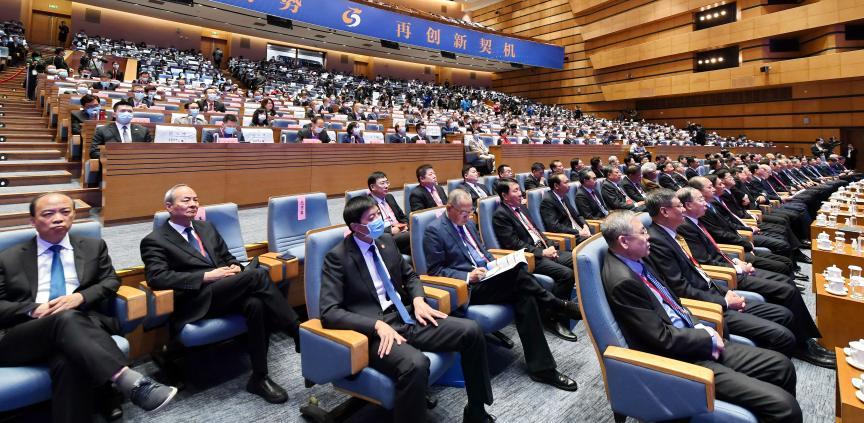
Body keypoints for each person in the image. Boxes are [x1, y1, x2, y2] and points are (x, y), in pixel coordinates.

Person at [600, 211, 803, 423]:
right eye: (642, 232)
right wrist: (706, 338)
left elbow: (673, 302)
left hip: (693, 337)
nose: (648, 236)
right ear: (624, 241)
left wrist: (701, 327)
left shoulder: (637, 258)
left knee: (782, 366)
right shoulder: (622, 281)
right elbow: (660, 339)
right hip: (681, 360)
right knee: (784, 407)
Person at [0, 193, 178, 422]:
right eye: (48, 214)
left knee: (69, 360)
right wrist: (33, 309)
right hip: (24, 335)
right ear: (32, 221)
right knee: (64, 319)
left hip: (81, 328)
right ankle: (127, 379)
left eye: (65, 212)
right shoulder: (8, 258)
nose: (58, 218)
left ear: (74, 215)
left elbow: (111, 281)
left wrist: (80, 298)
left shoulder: (93, 247)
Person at [320, 195, 494, 423]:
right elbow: (329, 311)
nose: (378, 221)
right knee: (416, 364)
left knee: (471, 331)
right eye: (371, 218)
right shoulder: (337, 257)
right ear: (355, 227)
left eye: (378, 215)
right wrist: (376, 325)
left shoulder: (386, 241)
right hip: (376, 332)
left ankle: (476, 411)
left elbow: (410, 276)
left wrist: (419, 300)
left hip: (406, 316)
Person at [140, 185, 300, 403]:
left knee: (256, 304)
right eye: (186, 200)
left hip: (227, 291)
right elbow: (157, 278)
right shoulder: (155, 240)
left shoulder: (206, 228)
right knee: (258, 277)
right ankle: (297, 331)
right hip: (197, 300)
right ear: (169, 206)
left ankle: (259, 377)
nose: (193, 204)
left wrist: (235, 267)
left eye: (196, 199)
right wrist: (206, 276)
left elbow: (228, 257)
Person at [423, 190, 581, 390]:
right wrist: (467, 276)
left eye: (470, 211)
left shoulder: (470, 223)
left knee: (525, 293)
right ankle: (555, 304)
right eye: (463, 212)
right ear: (449, 208)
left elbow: (482, 252)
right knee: (519, 276)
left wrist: (497, 264)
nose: (468, 216)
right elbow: (435, 271)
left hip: (490, 277)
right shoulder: (434, 231)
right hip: (469, 287)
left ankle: (542, 369)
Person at [676, 187, 835, 368]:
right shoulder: (684, 229)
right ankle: (802, 345)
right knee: (786, 288)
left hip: (728, 265)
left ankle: (805, 341)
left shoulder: (694, 221)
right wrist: (735, 267)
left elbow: (713, 251)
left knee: (785, 281)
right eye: (701, 198)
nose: (706, 199)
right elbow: (704, 262)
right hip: (726, 277)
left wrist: (734, 260)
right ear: (687, 205)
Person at [643, 189, 798, 355]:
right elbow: (681, 288)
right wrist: (724, 301)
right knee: (783, 332)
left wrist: (726, 292)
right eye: (679, 206)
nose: (683, 210)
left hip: (716, 290)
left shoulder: (671, 234)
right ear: (665, 211)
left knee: (784, 314)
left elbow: (698, 271)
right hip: (708, 306)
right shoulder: (656, 241)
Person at [492, 179, 576, 341]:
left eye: (519, 189)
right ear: (505, 196)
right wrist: (542, 252)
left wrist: (550, 246)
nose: (520, 193)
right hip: (530, 258)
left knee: (575, 258)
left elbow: (537, 231)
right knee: (566, 274)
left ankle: (564, 307)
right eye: (515, 190)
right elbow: (513, 244)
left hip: (544, 249)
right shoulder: (500, 215)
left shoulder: (522, 208)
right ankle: (551, 317)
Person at [539, 173, 592, 242]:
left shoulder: (564, 196)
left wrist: (584, 225)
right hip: (568, 236)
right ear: (556, 186)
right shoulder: (547, 201)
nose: (569, 185)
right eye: (566, 182)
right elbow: (554, 226)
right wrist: (578, 232)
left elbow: (577, 215)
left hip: (578, 230)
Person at [367, 171, 409, 254]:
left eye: (387, 182)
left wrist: (405, 225)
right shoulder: (368, 203)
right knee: (414, 236)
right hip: (385, 237)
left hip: (401, 232)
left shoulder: (389, 197)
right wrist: (391, 230)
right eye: (382, 183)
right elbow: (370, 229)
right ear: (372, 187)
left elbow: (402, 217)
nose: (386, 186)